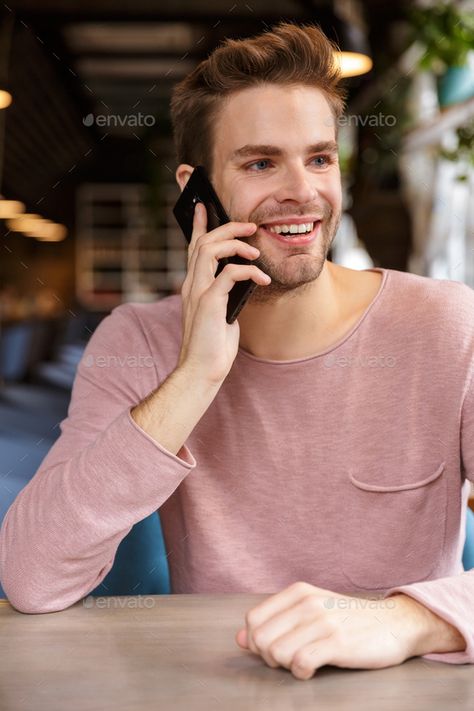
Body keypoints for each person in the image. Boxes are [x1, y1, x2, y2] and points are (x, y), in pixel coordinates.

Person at [1, 21, 473, 681]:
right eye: (260, 162)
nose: (302, 191)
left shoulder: (447, 325)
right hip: (216, 688)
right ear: (199, 193)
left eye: (319, 157)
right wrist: (196, 371)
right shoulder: (138, 342)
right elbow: (31, 577)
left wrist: (405, 618)